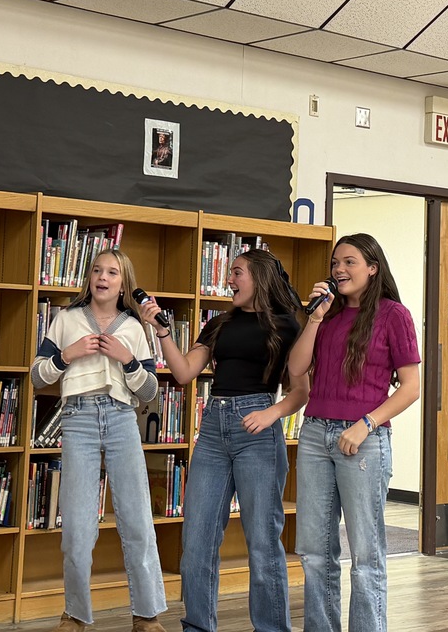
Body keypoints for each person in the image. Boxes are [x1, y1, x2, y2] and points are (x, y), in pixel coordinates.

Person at [139, 249, 307, 632]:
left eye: (237, 273)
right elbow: (183, 373)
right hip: (214, 428)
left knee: (263, 544)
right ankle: (197, 627)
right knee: (196, 542)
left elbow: (300, 392)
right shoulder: (217, 324)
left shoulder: (287, 327)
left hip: (258, 430)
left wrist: (271, 413)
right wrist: (162, 331)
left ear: (259, 277)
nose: (230, 280)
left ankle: (271, 628)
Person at [288, 233, 421, 632]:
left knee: (366, 556)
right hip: (314, 435)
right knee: (314, 552)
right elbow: (296, 369)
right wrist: (313, 317)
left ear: (372, 268)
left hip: (363, 441)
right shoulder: (325, 315)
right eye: (334, 264)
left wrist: (365, 425)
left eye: (349, 262)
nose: (339, 270)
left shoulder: (393, 314)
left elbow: (412, 387)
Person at [31, 249, 169, 632]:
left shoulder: (134, 328)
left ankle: (147, 615)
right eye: (96, 270)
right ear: (89, 277)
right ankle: (75, 614)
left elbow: (150, 392)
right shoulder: (66, 319)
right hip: (78, 420)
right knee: (77, 526)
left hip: (122, 419)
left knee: (138, 520)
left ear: (123, 281)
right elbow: (37, 377)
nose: (103, 277)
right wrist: (66, 356)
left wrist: (128, 360)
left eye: (112, 272)